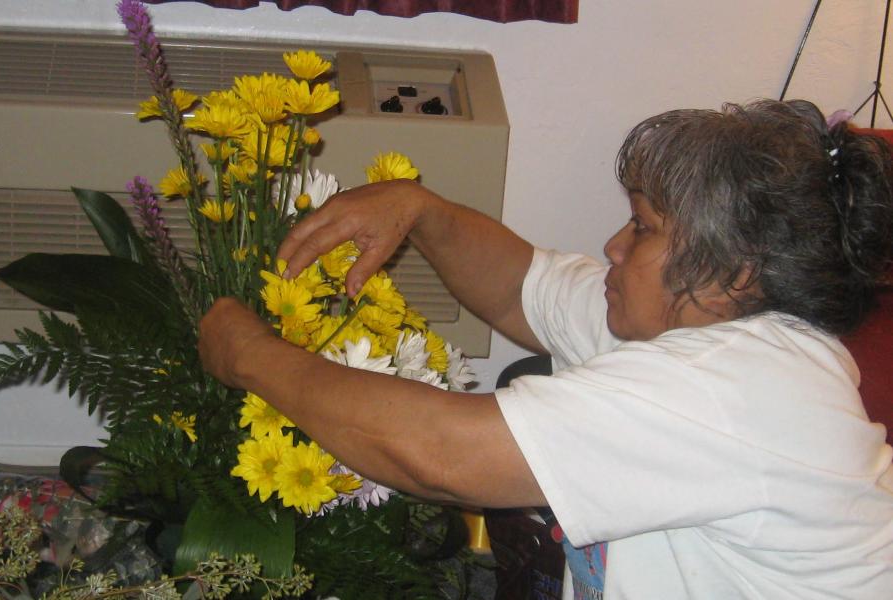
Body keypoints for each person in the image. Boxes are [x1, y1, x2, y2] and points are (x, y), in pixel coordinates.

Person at [198, 99, 893, 599]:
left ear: (733, 275)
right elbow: (519, 286)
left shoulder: (731, 390)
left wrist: (251, 354)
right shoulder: (698, 323)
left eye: (643, 227)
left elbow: (442, 455)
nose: (613, 246)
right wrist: (417, 208)